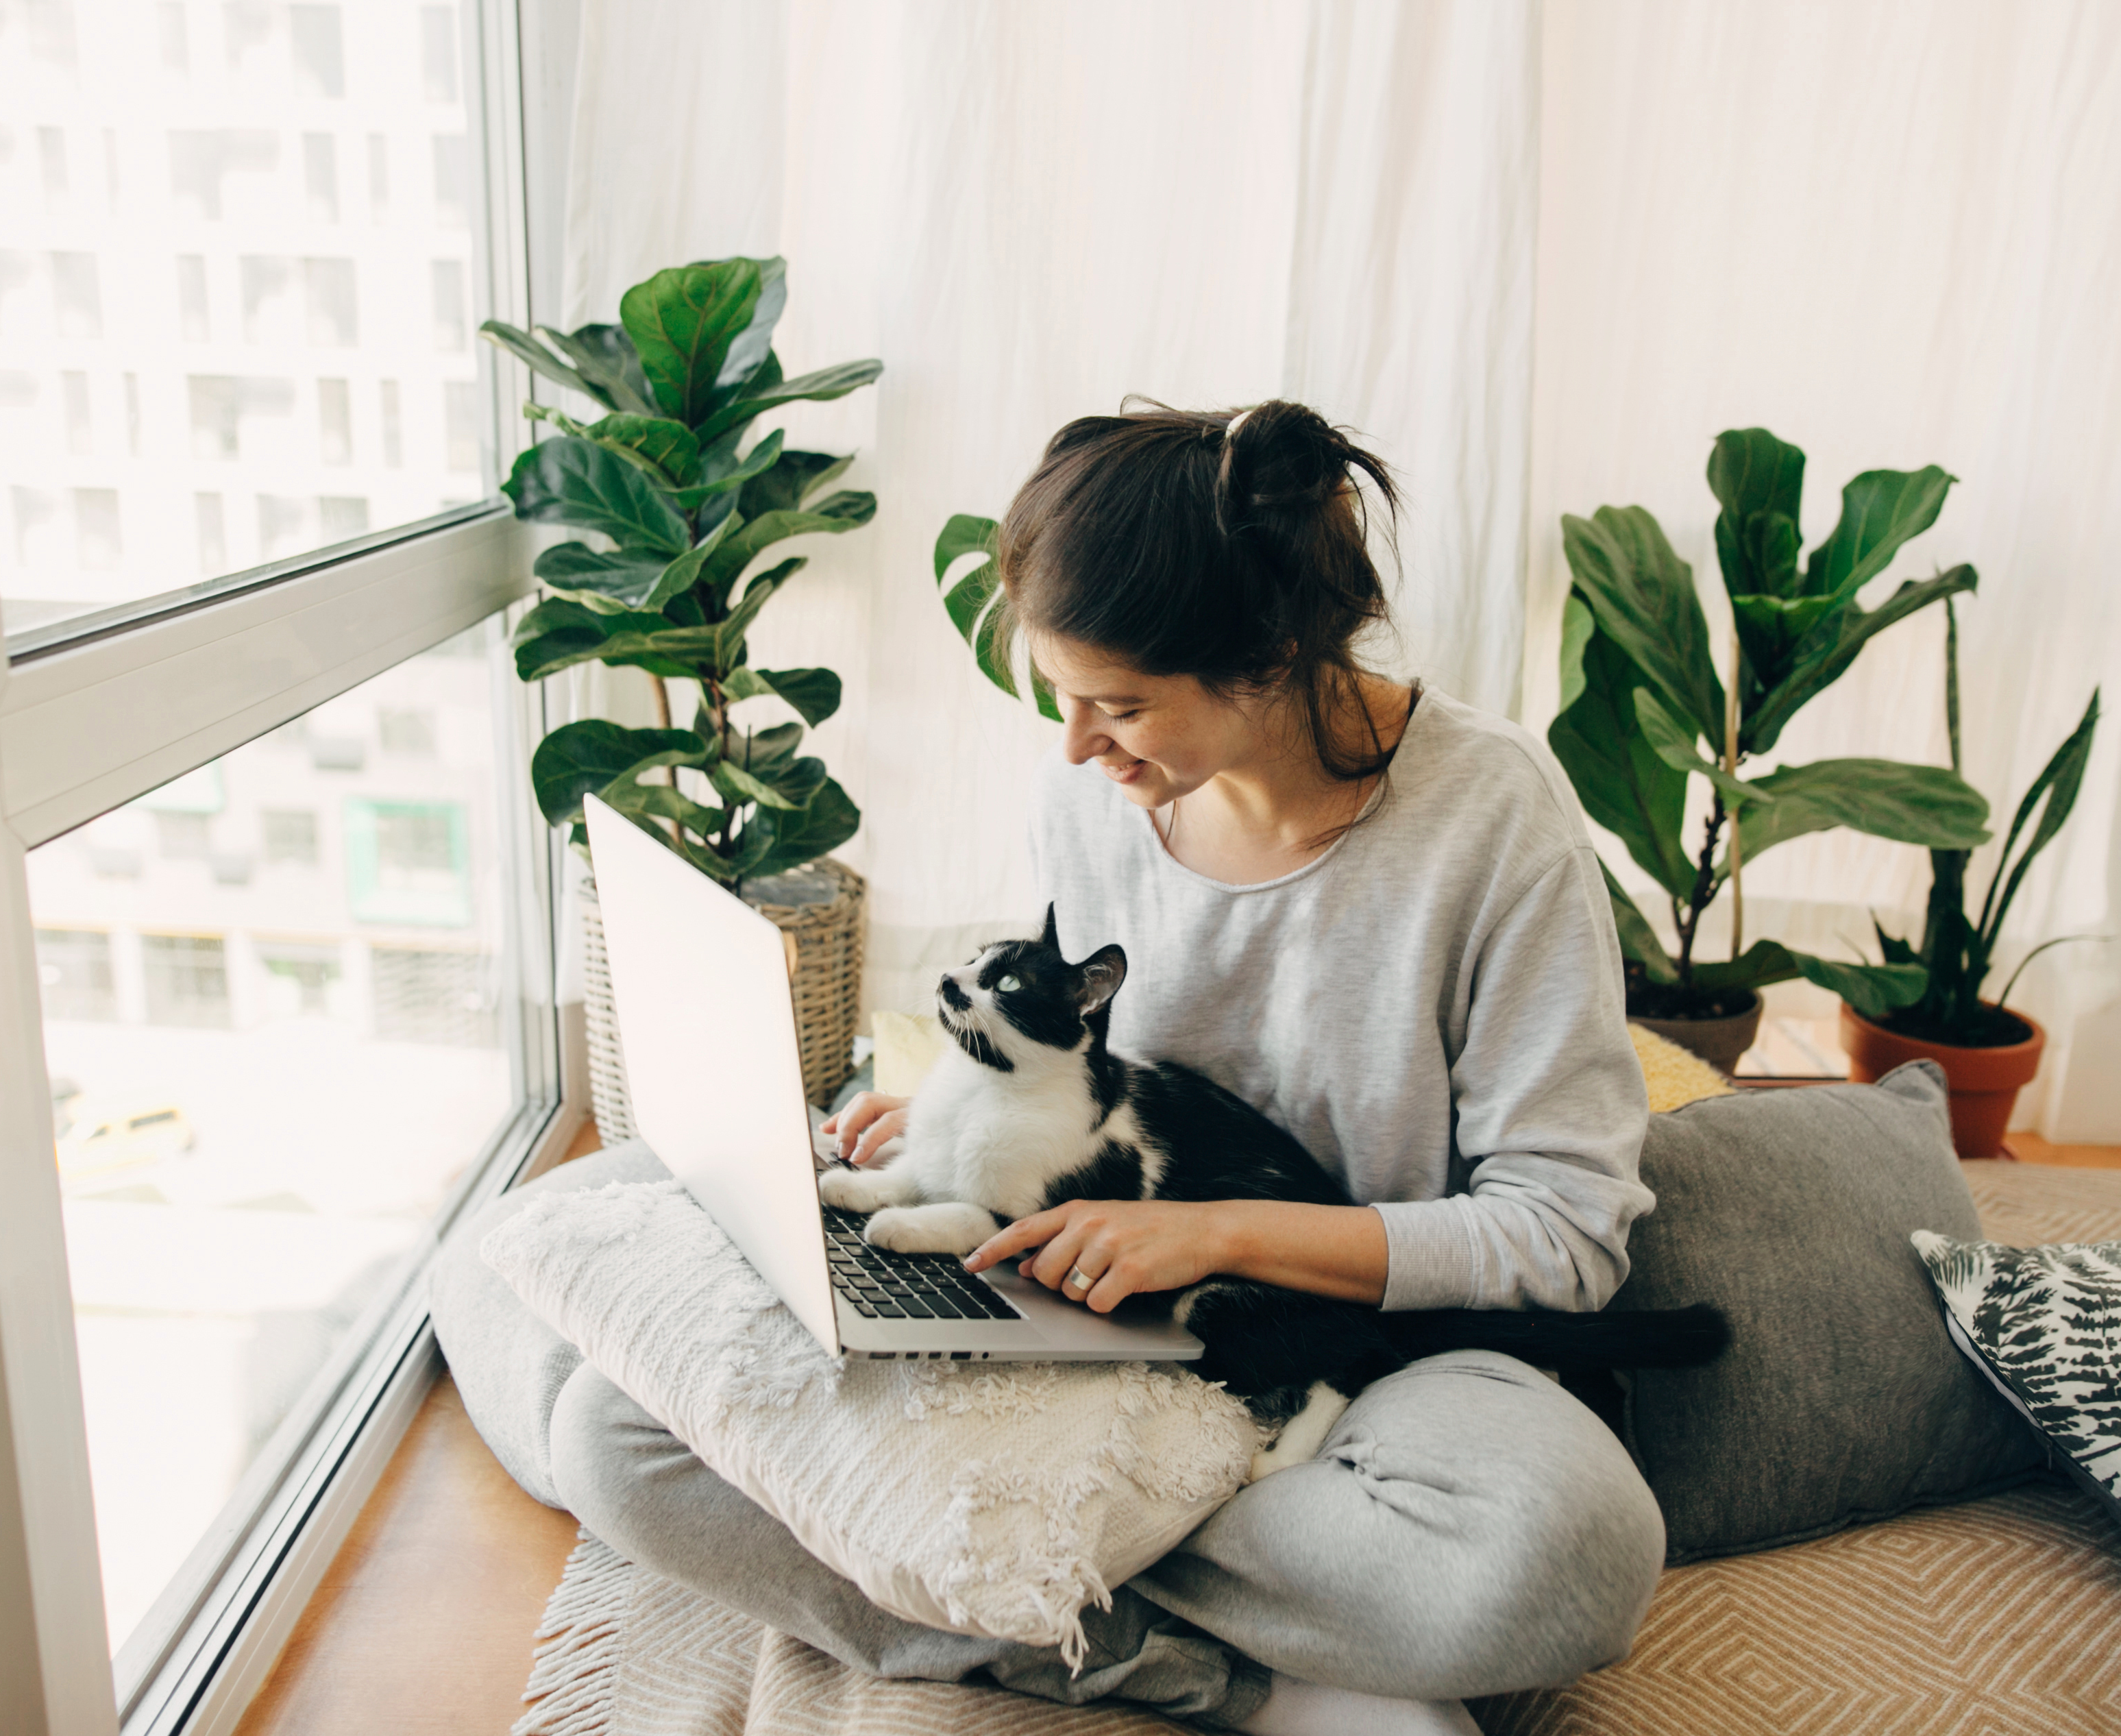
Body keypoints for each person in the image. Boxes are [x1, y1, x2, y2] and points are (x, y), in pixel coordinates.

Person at [433, 400, 1663, 1736]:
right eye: (1061, 697)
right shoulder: (1089, 795)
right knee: (622, 1438)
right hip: (1081, 1304)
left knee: (1565, 1545)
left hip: (1347, 1353)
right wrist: (965, 1112)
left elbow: (1565, 1237)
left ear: (1278, 650)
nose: (1079, 745)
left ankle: (991, 1564)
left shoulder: (1491, 819)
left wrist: (1212, 1230)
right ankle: (1250, 1678)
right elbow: (1086, 1060)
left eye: (1122, 705)